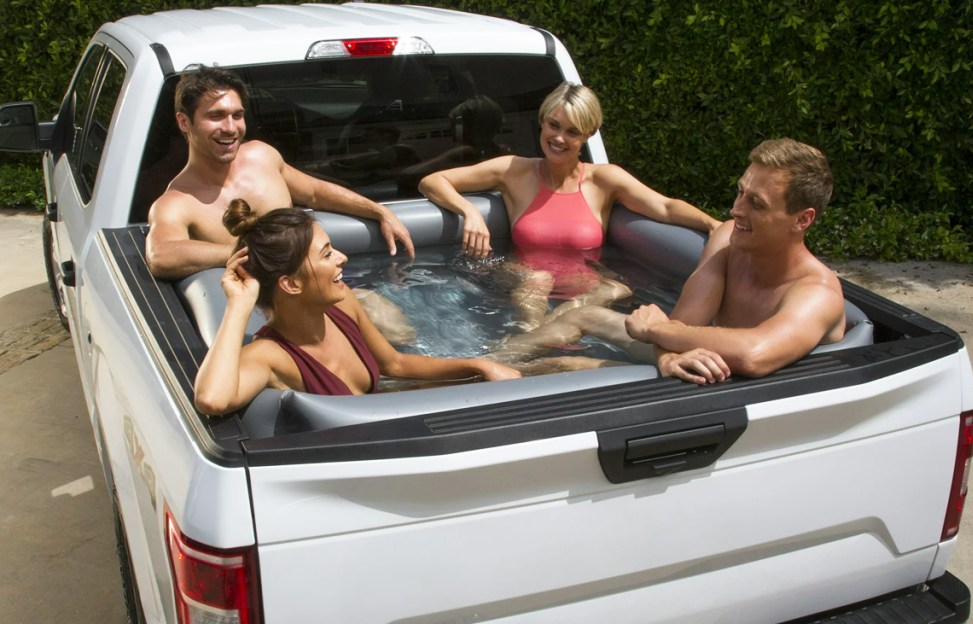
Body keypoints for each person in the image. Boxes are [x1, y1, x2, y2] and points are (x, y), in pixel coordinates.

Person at [145, 65, 416, 342]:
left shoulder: (262, 156)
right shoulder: (177, 201)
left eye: (237, 115)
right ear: (184, 122)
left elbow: (313, 192)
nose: (230, 128)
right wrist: (253, 252)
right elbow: (161, 255)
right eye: (215, 116)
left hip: (323, 286)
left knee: (400, 332)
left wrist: (379, 211)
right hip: (272, 316)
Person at [418, 82, 720, 330]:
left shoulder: (604, 180)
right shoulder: (513, 170)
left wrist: (713, 226)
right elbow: (432, 181)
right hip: (521, 277)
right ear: (542, 122)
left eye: (572, 132)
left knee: (617, 288)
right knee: (540, 278)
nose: (559, 138)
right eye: (554, 125)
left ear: (587, 135)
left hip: (581, 289)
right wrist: (469, 211)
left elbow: (665, 207)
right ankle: (531, 340)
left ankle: (535, 343)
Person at [193, 200, 520, 415]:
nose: (342, 258)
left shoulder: (341, 302)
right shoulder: (270, 356)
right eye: (326, 254)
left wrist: (478, 366)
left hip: (387, 418)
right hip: (359, 466)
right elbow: (212, 399)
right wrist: (238, 305)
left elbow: (395, 363)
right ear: (291, 284)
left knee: (547, 368)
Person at [618, 137, 847, 383]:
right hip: (719, 390)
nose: (736, 209)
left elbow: (754, 354)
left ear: (802, 220)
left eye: (756, 203)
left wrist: (655, 329)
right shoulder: (728, 241)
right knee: (579, 334)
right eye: (740, 192)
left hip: (775, 410)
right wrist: (668, 359)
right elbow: (681, 325)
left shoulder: (819, 294)